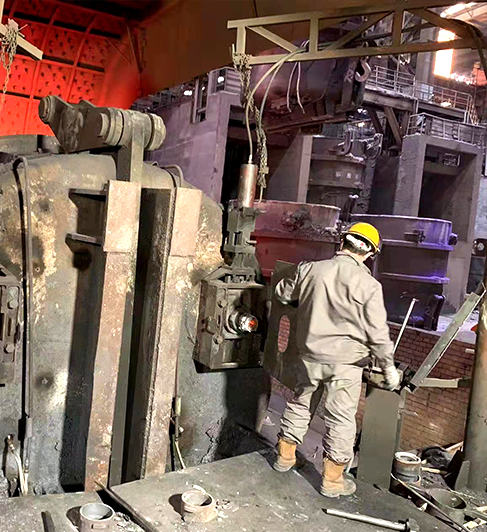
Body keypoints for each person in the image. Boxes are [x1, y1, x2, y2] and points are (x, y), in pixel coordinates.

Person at [272, 222, 400, 498]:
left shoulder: (310, 269)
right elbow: (378, 332)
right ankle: (331, 481)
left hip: (309, 357)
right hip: (345, 365)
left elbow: (282, 293)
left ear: (342, 242)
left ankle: (284, 457)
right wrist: (388, 367)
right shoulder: (369, 285)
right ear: (370, 254)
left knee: (300, 402)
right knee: (340, 418)